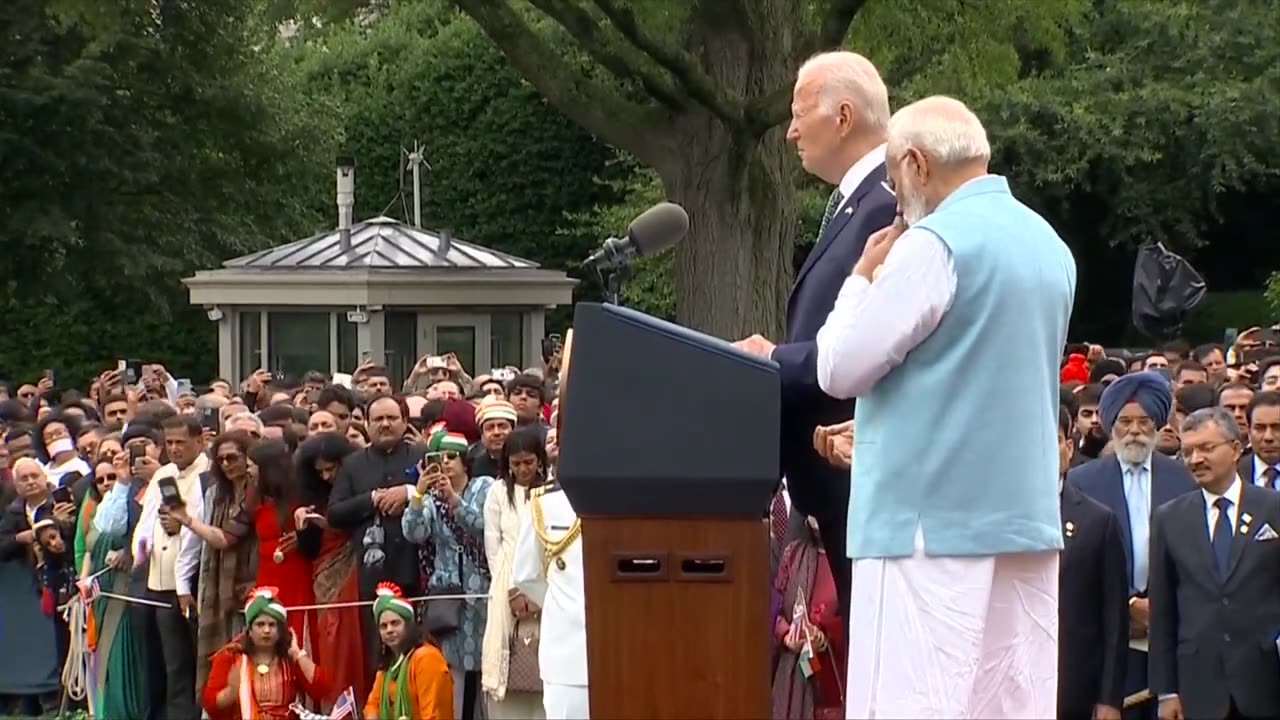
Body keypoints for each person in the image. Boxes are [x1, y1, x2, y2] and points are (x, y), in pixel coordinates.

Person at [814, 96, 1075, 718]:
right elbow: (983, 375)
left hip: (924, 527)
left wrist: (859, 276)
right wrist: (889, 422)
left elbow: (839, 366)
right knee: (1010, 700)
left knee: (911, 702)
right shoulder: (1050, 245)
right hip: (1022, 516)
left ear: (917, 164)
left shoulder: (933, 244)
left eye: (892, 179)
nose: (894, 196)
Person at [734, 51, 896, 616]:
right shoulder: (857, 203)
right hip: (832, 488)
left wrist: (774, 356)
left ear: (844, 116)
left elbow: (872, 344)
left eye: (799, 114)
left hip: (857, 478)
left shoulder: (890, 206)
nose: (790, 133)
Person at [1069, 371, 1197, 718]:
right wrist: (1127, 601)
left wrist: (1157, 604)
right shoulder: (1082, 482)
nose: (1135, 430)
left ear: (1157, 424)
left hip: (1168, 633)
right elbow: (1079, 560)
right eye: (1124, 421)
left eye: (1143, 421)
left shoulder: (1184, 479)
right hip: (1107, 634)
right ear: (1111, 426)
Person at [1149, 407, 1280, 720]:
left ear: (1235, 449)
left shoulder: (1273, 508)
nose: (1195, 459)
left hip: (1266, 680)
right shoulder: (1169, 518)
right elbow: (1164, 611)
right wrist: (1166, 691)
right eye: (1187, 452)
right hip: (1199, 687)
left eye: (1206, 448)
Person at [1056, 407, 1128, 720]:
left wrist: (1110, 698)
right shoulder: (994, 517)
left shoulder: (1097, 520)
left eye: (1054, 439)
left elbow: (1114, 617)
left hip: (1075, 689)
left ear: (1069, 448)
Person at [513, 474, 587, 720]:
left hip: (623, 648)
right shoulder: (546, 502)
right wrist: (560, 606)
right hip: (568, 653)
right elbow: (524, 573)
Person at [201, 587, 331, 720]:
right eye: (260, 624)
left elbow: (322, 690)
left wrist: (298, 655)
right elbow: (210, 706)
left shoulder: (289, 659)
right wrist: (230, 692)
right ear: (249, 630)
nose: (267, 630)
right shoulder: (230, 658)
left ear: (280, 630)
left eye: (272, 625)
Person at [770, 515, 844, 720]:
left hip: (831, 674)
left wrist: (824, 634)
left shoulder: (849, 560)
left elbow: (859, 618)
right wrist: (785, 634)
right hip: (792, 672)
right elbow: (773, 604)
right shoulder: (793, 554)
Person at [364, 582, 454, 720]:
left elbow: (434, 715)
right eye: (383, 626)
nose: (389, 630)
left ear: (409, 625)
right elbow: (372, 705)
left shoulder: (426, 658)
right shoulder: (388, 666)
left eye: (395, 623)